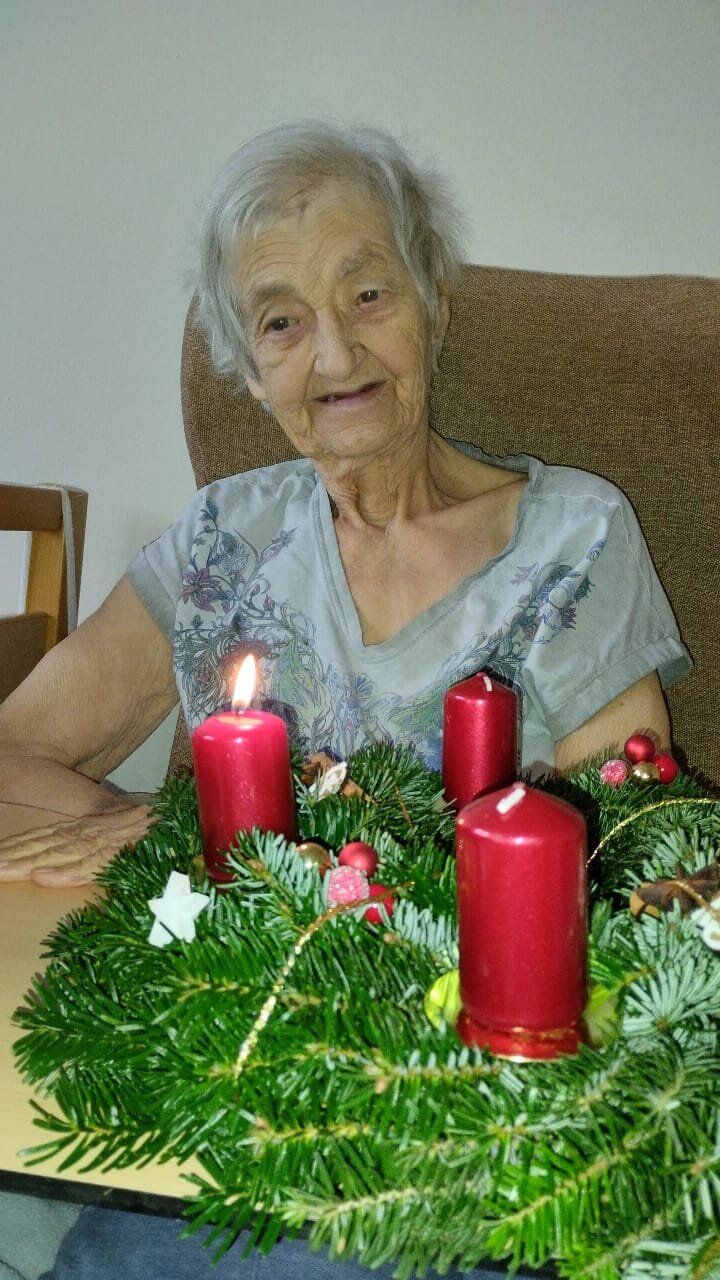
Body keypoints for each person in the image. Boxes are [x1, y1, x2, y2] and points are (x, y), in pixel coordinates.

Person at [0, 121, 690, 1278]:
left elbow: (630, 867)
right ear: (246, 366)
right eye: (281, 321)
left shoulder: (574, 537)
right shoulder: (225, 538)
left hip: (443, 1114)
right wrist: (147, 829)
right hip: (212, 1074)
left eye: (368, 293)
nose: (335, 352)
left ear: (433, 302)